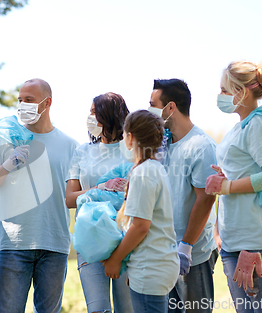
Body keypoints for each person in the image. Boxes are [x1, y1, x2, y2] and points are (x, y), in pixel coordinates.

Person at [0, 78, 79, 313]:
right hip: (14, 241)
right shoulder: (3, 139)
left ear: (47, 103)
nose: (21, 105)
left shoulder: (70, 145)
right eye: (19, 100)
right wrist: (7, 164)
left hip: (55, 244)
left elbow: (75, 194)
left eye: (29, 100)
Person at [206, 61, 262, 313]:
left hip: (256, 246)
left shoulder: (258, 125)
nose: (220, 96)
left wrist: (228, 185)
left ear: (242, 92)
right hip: (234, 245)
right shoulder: (237, 129)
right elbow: (242, 177)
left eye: (225, 90)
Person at [149, 79, 218, 313]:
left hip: (192, 255)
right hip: (164, 252)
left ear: (170, 107)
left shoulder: (201, 146)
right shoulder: (163, 145)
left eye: (153, 105)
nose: (150, 111)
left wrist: (186, 246)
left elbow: (206, 198)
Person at [103, 110, 179, 313]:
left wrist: (115, 260)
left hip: (151, 267)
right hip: (156, 264)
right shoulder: (155, 168)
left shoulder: (143, 173)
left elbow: (140, 226)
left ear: (131, 138)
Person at [65, 92, 133, 313]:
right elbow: (69, 199)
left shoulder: (133, 152)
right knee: (98, 309)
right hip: (90, 239)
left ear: (110, 115)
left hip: (126, 240)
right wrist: (100, 188)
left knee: (128, 309)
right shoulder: (82, 151)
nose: (90, 117)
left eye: (95, 112)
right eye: (90, 112)